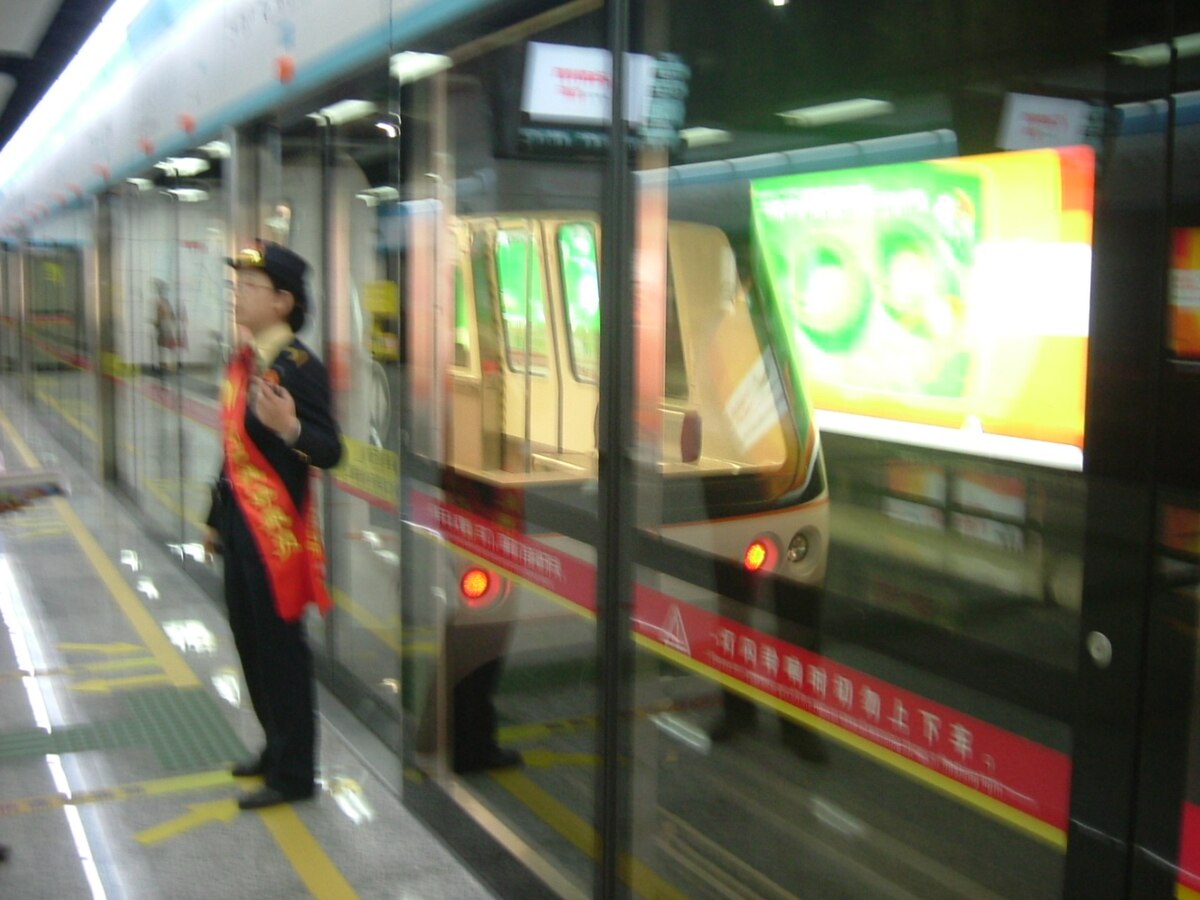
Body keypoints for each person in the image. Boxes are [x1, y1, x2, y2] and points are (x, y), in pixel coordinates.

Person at [203, 241, 342, 810]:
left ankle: (295, 773)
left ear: (284, 301)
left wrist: (290, 429)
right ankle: (274, 745)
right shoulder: (246, 361)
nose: (238, 293)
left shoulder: (300, 370)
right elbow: (233, 449)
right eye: (236, 285)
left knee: (283, 651)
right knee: (249, 639)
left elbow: (330, 451)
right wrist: (216, 519)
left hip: (276, 534)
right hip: (241, 526)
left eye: (251, 287)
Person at [151, 279, 178, 374]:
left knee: (165, 347)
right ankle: (164, 365)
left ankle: (165, 365)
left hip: (165, 327)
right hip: (166, 327)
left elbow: (170, 316)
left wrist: (157, 323)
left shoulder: (162, 303)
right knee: (164, 348)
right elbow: (172, 316)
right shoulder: (165, 303)